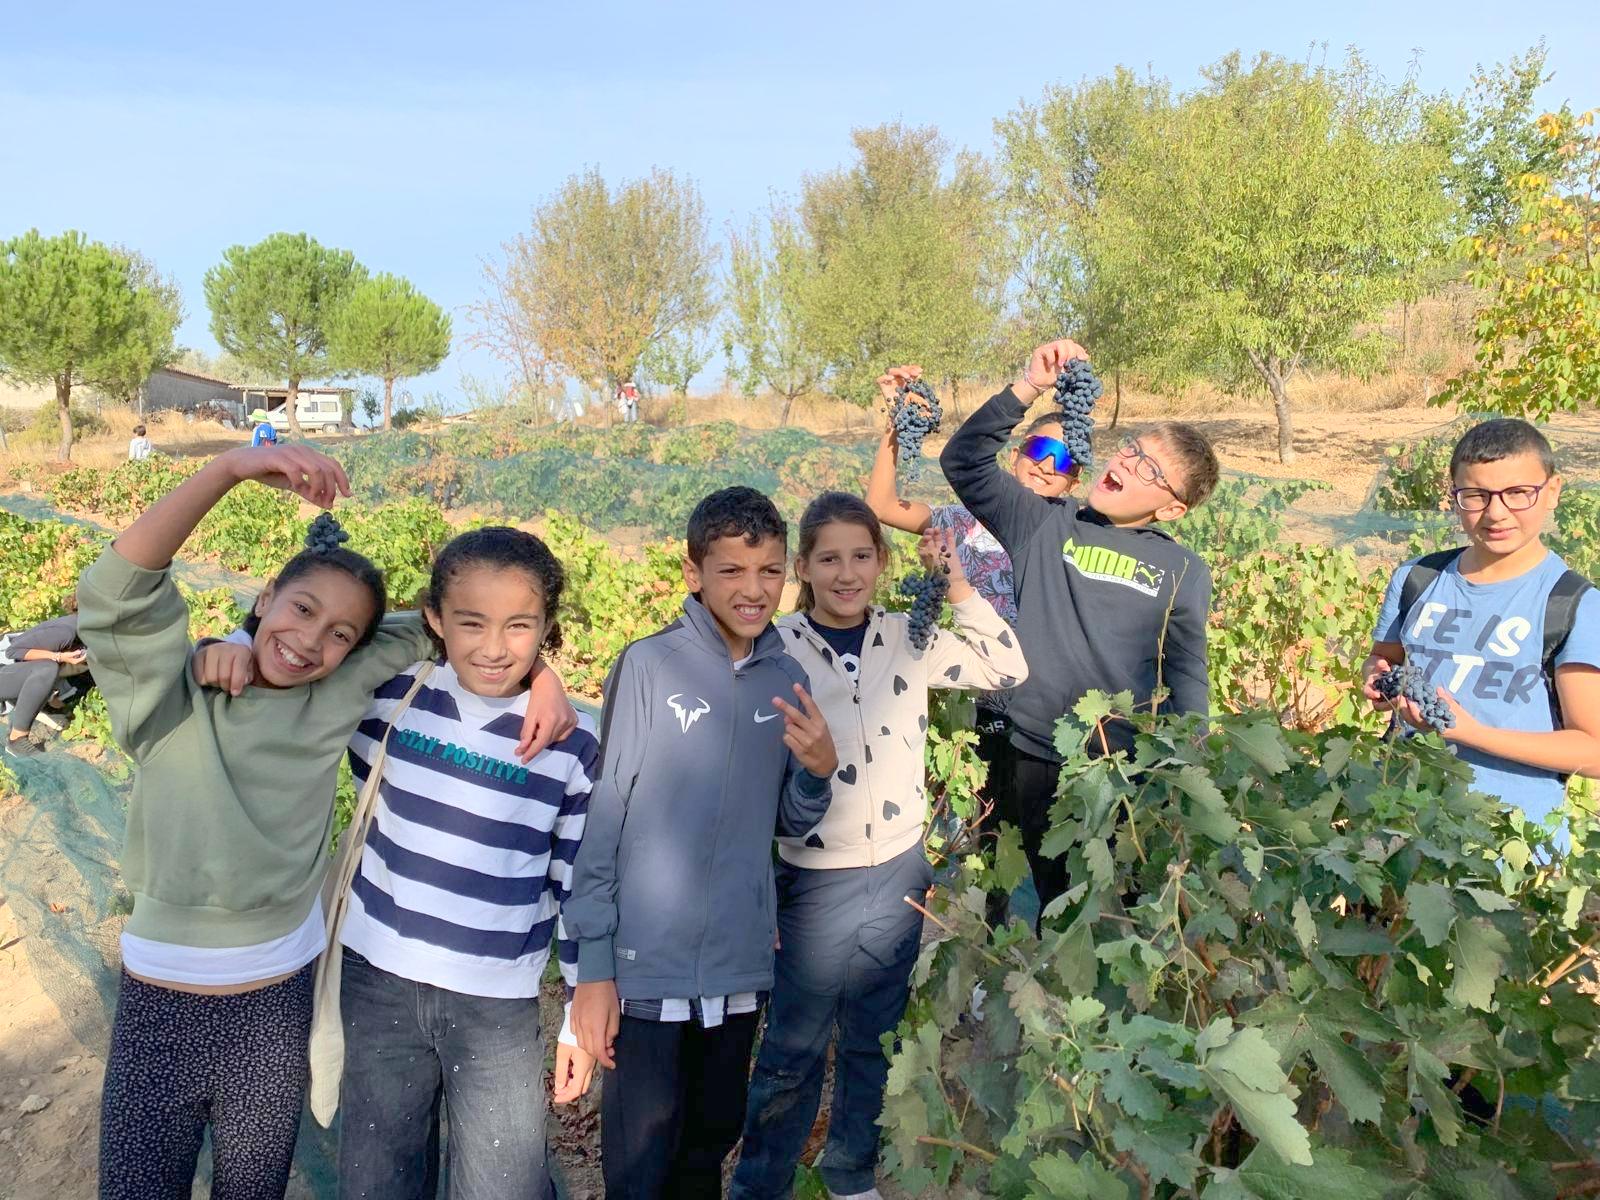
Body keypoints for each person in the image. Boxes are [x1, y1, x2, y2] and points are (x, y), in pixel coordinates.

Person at [78, 444, 573, 1200]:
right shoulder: (171, 701)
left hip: (277, 1005)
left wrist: (543, 670)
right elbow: (117, 591)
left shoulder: (340, 698)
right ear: (268, 592)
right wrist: (228, 472)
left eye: (342, 635)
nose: (311, 641)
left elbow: (458, 627)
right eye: (300, 609)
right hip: (158, 1003)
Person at [196, 526, 598, 1199]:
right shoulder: (391, 698)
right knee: (380, 1179)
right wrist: (237, 637)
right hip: (375, 981)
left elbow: (578, 881)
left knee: (504, 1184)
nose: (494, 647)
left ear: (546, 627)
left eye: (520, 626)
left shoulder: (571, 740)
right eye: (469, 622)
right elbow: (297, 663)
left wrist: (576, 1015)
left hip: (495, 1002)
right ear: (435, 620)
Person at [730, 493, 1028, 1200]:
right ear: (801, 565)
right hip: (814, 880)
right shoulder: (776, 650)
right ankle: (760, 1183)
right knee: (792, 1050)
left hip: (898, 870)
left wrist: (957, 583)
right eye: (828, 558)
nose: (846, 572)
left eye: (861, 556)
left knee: (875, 1037)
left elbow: (1006, 666)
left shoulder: (909, 635)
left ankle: (850, 1171)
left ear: (883, 562)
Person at [565, 485, 839, 1200]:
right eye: (732, 571)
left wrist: (817, 772)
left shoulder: (789, 677)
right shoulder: (650, 666)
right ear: (694, 572)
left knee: (708, 1147)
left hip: (739, 970)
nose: (754, 591)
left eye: (771, 572)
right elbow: (607, 816)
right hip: (645, 972)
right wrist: (593, 969)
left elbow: (791, 821)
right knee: (639, 1167)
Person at [938, 339, 1219, 920]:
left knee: (1119, 917)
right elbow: (962, 461)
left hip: (1125, 773)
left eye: (1149, 468)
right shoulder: (1043, 524)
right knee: (1053, 908)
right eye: (1131, 449)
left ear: (1171, 509)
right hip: (1037, 756)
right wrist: (1028, 385)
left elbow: (1187, 673)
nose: (1124, 463)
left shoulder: (1184, 570)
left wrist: (1189, 767)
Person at [865, 364, 1079, 883]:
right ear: (1014, 455)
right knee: (985, 839)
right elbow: (880, 506)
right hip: (982, 698)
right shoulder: (959, 520)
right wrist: (896, 427)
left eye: (1066, 459)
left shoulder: (1075, 531)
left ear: (1077, 475)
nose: (1048, 466)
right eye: (1039, 451)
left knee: (1051, 848)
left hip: (1047, 709)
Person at [1363, 418, 1600, 838]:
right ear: (1453, 496)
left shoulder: (1573, 604)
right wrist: (1380, 680)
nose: (1496, 512)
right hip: (1400, 817)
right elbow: (1385, 658)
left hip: (1508, 843)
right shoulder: (1417, 578)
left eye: (1517, 493)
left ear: (1553, 491)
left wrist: (1471, 733)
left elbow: (1593, 751)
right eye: (1475, 495)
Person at [0, 603, 88, 758]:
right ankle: (16, 740)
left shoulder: (93, 640)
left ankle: (30, 710)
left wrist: (52, 700)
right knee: (47, 669)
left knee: (61, 719)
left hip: (19, 679)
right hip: (5, 670)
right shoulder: (67, 631)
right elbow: (12, 652)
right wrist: (60, 657)